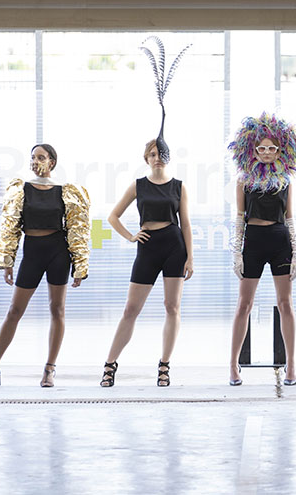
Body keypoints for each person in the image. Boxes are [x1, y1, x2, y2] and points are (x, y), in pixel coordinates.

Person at [100, 37, 193, 387]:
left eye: (161, 153)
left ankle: (165, 365)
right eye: (152, 153)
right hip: (147, 245)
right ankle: (110, 364)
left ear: (167, 156)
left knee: (172, 308)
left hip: (173, 245)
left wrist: (190, 257)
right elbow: (112, 216)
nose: (156, 157)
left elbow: (186, 224)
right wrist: (130, 236)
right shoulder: (138, 185)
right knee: (131, 309)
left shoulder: (179, 186)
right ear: (146, 158)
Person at [0, 144, 90, 388]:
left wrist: (80, 266)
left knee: (57, 310)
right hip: (32, 252)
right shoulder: (22, 189)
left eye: (41, 157)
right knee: (14, 310)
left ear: (52, 162)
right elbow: (10, 227)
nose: (35, 161)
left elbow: (77, 229)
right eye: (33, 157)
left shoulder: (66, 191)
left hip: (58, 253)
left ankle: (50, 369)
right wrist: (7, 261)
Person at [227, 113, 296, 386]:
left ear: (280, 150)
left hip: (279, 239)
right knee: (244, 304)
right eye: (262, 148)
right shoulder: (244, 180)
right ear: (253, 150)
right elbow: (239, 217)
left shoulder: (285, 180)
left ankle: (291, 366)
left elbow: (290, 216)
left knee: (286, 303)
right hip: (254, 240)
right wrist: (237, 251)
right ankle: (233, 365)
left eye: (272, 148)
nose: (267, 152)